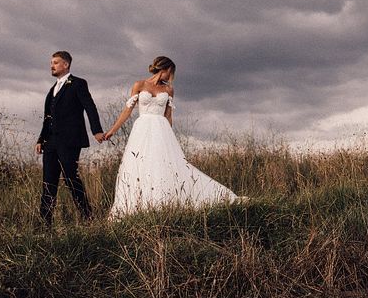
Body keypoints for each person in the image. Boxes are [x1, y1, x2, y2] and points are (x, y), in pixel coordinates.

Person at [104, 56, 238, 217]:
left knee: (163, 164)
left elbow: (168, 116)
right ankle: (139, 204)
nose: (171, 77)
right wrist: (112, 130)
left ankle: (163, 202)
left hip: (161, 129)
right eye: (171, 72)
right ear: (166, 69)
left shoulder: (168, 90)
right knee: (139, 165)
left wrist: (170, 139)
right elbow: (127, 111)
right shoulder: (139, 85)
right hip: (142, 129)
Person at [35, 51, 104, 226]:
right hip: (50, 143)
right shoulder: (52, 90)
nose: (52, 65)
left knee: (71, 179)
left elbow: (90, 107)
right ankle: (45, 224)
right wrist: (40, 140)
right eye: (51, 62)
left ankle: (88, 217)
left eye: (56, 62)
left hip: (70, 141)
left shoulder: (78, 83)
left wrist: (96, 130)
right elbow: (47, 117)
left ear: (66, 64)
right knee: (48, 183)